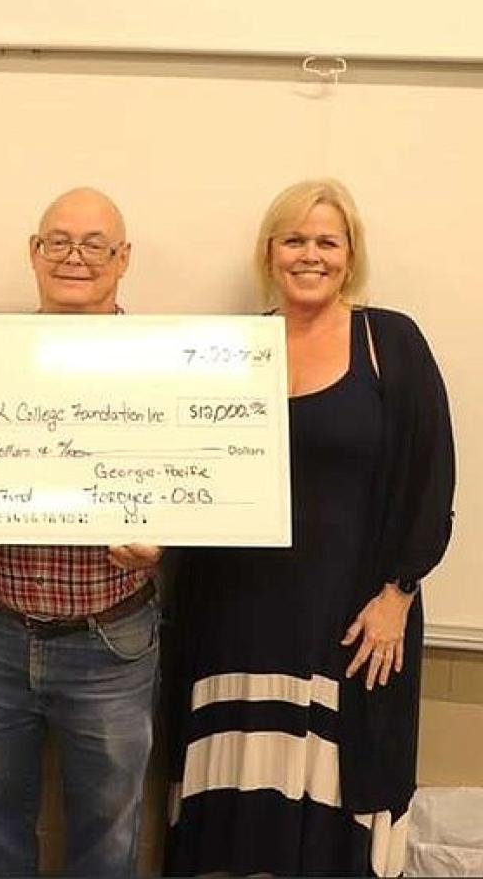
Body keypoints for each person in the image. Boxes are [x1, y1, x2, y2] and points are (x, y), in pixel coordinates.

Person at [165, 178, 455, 876]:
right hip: (233, 617)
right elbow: (185, 468)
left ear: (350, 253)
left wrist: (398, 595)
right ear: (269, 252)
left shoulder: (390, 342)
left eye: (327, 240)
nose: (310, 255)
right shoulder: (230, 348)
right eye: (294, 239)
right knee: (234, 822)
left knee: (333, 811)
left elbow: (431, 478)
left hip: (351, 625)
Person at [0, 188, 161, 877]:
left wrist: (168, 541)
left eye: (95, 244)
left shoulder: (169, 365)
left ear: (124, 259)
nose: (74, 258)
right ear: (33, 254)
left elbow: (211, 483)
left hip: (111, 642)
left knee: (107, 831)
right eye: (57, 241)